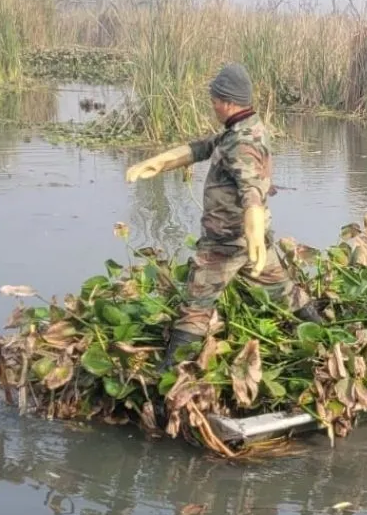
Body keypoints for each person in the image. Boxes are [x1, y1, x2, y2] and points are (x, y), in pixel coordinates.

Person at [124, 62, 322, 373]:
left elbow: (252, 191)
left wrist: (254, 232)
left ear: (226, 101)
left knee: (195, 310)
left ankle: (168, 376)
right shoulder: (246, 128)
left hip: (225, 244)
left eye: (214, 100)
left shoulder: (241, 144)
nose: (212, 106)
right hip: (248, 242)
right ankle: (325, 338)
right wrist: (155, 163)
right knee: (285, 292)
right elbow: (200, 148)